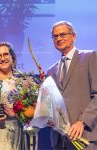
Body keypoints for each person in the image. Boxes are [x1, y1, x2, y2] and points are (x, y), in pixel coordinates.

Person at [47, 21, 97, 149]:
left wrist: (82, 122)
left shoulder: (90, 57)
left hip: (84, 135)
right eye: (55, 36)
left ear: (73, 36)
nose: (59, 38)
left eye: (63, 34)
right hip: (59, 140)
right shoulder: (51, 70)